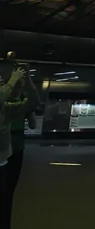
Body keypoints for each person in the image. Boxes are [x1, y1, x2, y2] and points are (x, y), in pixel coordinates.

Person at [0, 64, 36, 229]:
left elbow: (34, 102)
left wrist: (27, 81)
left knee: (5, 199)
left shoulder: (7, 109)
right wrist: (13, 80)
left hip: (5, 159)